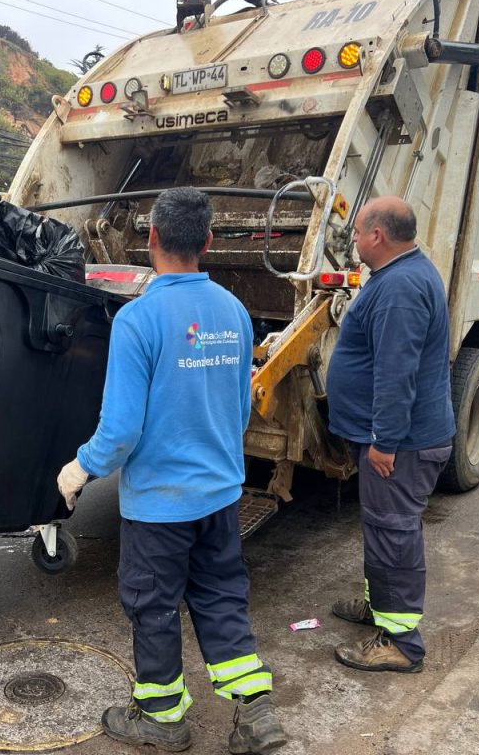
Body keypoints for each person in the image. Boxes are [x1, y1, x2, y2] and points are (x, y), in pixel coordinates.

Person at [57, 187, 286, 754]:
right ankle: (256, 714)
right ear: (208, 242)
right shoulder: (233, 311)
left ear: (151, 238)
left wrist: (80, 468)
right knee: (220, 597)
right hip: (219, 495)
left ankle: (162, 719)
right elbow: (239, 409)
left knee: (153, 606)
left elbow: (121, 430)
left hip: (160, 504)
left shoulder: (138, 320)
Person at [326, 196, 455, 673]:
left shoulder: (400, 287)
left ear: (377, 236)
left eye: (358, 232)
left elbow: (395, 374)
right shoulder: (399, 275)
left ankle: (401, 643)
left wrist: (385, 441)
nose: (354, 240)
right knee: (382, 529)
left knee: (394, 534)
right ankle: (379, 608)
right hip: (401, 438)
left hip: (401, 444)